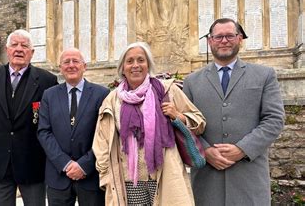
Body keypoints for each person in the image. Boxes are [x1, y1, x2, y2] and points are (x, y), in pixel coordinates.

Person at [183, 18, 285, 205]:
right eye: (218, 36)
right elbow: (185, 124)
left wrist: (242, 149)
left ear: (240, 39)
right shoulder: (191, 81)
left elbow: (274, 119)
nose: (224, 40)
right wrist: (205, 151)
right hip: (207, 181)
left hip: (249, 178)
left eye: (230, 35)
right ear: (210, 41)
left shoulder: (264, 75)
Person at [92, 42, 206, 206]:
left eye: (141, 60)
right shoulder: (113, 99)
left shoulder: (167, 91)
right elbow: (101, 139)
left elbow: (199, 122)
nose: (135, 65)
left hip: (164, 175)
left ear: (148, 65)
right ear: (122, 67)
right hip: (129, 181)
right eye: (130, 61)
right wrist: (105, 173)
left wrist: (177, 116)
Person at [0, 29, 58, 205]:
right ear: (7, 50)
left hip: (32, 161)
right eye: (14, 45)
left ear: (32, 52)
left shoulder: (47, 80)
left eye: (24, 46)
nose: (19, 49)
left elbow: (48, 123)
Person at [37, 48, 109, 206]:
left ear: (85, 66)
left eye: (75, 61)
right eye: (66, 62)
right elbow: (44, 132)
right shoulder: (49, 95)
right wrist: (65, 163)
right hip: (58, 175)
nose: (71, 65)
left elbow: (106, 135)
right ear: (60, 67)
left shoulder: (102, 94)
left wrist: (84, 165)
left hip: (91, 176)